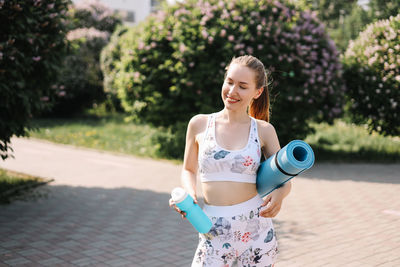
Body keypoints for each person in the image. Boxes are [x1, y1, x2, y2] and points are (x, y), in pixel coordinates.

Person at [170, 55, 292, 266]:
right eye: (230, 82)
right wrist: (189, 193)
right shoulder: (199, 124)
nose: (233, 91)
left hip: (257, 229)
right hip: (212, 228)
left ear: (258, 92)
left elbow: (285, 179)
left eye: (243, 86)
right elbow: (188, 169)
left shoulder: (263, 130)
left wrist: (279, 196)